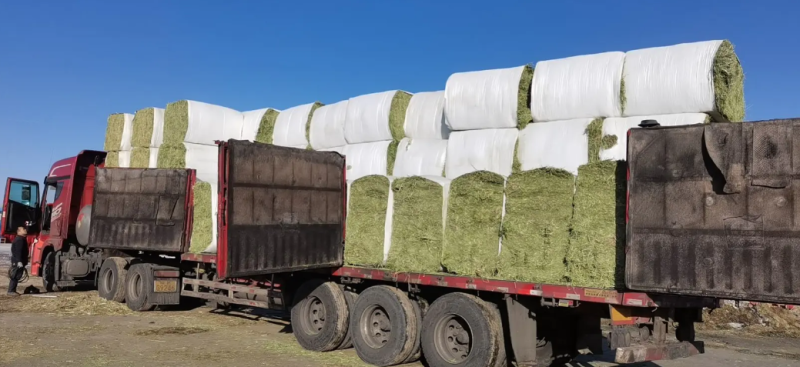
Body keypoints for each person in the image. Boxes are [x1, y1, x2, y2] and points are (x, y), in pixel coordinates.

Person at [8, 226, 28, 296]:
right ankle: (11, 291)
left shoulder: (22, 239)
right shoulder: (19, 240)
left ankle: (12, 290)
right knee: (15, 276)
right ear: (19, 231)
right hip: (17, 261)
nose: (25, 230)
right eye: (23, 229)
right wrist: (19, 261)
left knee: (17, 276)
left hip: (19, 261)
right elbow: (18, 252)